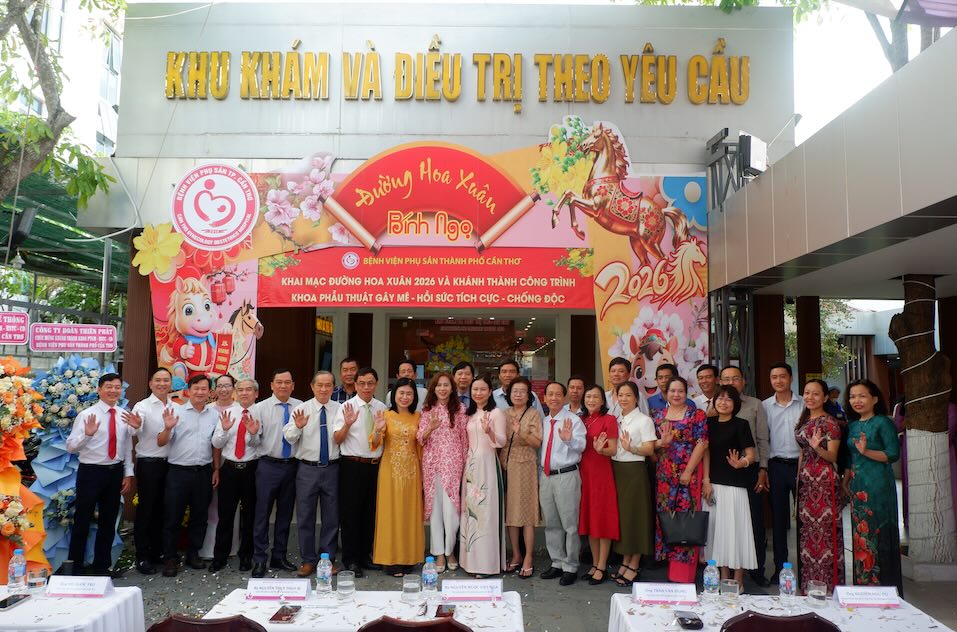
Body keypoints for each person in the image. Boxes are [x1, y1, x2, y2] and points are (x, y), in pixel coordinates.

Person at [66, 373, 140, 576]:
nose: (113, 390)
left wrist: (128, 473)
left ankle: (102, 567)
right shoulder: (87, 415)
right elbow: (71, 447)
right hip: (90, 472)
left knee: (108, 522)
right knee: (82, 520)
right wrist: (87, 435)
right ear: (99, 389)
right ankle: (76, 567)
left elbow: (126, 447)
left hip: (114, 472)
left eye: (117, 387)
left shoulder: (124, 415)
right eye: (109, 386)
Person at [844, 379, 902, 594]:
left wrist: (866, 451)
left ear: (875, 399)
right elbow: (850, 458)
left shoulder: (883, 422)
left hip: (879, 486)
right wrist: (845, 482)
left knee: (878, 534)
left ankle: (885, 590)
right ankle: (864, 590)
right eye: (852, 397)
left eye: (862, 396)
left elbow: (892, 454)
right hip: (858, 488)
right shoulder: (852, 425)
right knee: (861, 538)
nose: (856, 400)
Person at [159, 374, 218, 577]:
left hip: (203, 472)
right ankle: (170, 557)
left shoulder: (214, 415)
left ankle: (193, 554)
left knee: (200, 516)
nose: (200, 392)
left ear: (209, 392)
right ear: (188, 391)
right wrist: (167, 428)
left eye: (204, 389)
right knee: (172, 516)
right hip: (178, 472)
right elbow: (161, 441)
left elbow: (215, 445)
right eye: (196, 388)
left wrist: (216, 469)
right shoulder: (175, 412)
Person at [653, 376, 709, 583]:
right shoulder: (658, 415)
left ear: (686, 393)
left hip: (688, 475)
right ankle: (671, 572)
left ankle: (684, 575)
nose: (676, 395)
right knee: (668, 520)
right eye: (672, 391)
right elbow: (652, 444)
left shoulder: (697, 414)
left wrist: (688, 471)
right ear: (666, 393)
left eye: (680, 391)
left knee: (686, 521)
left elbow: (702, 443)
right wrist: (661, 442)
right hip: (664, 476)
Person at [718, 365, 771, 587]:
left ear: (743, 381)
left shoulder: (755, 405)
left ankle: (756, 570)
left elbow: (762, 439)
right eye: (726, 379)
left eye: (735, 378)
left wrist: (763, 469)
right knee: (724, 524)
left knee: (752, 521)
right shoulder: (715, 406)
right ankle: (724, 572)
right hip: (720, 474)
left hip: (749, 469)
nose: (730, 383)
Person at [286, 371, 341, 578]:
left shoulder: (340, 409)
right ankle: (308, 560)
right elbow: (289, 437)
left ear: (333, 387)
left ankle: (327, 560)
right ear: (312, 386)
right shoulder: (302, 409)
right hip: (307, 469)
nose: (324, 389)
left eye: (328, 385)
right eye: (320, 385)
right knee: (305, 516)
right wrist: (297, 427)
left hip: (332, 468)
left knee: (331, 517)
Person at [333, 366, 388, 577]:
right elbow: (337, 438)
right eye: (362, 383)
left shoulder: (381, 407)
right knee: (351, 514)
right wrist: (347, 424)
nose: (366, 387)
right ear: (355, 385)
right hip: (351, 466)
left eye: (370, 383)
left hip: (374, 466)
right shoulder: (346, 407)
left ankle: (365, 556)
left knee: (370, 513)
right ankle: (351, 559)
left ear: (376, 385)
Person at [702, 385, 757, 586]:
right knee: (719, 533)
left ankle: (738, 580)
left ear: (735, 404)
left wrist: (742, 463)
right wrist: (706, 480)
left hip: (735, 486)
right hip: (713, 485)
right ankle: (724, 577)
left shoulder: (741, 424)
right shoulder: (708, 423)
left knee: (736, 532)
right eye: (720, 398)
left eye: (728, 399)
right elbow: (705, 452)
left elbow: (751, 454)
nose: (723, 402)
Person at [251, 369, 303, 577]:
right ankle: (260, 559)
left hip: (292, 466)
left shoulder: (300, 406)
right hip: (268, 466)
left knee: (285, 514)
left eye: (287, 382)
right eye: (279, 382)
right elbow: (254, 442)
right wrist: (252, 434)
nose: (283, 386)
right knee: (262, 513)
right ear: (272, 385)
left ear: (293, 385)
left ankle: (279, 556)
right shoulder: (260, 408)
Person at [795, 379, 845, 593]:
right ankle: (809, 587)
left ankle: (830, 588)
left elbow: (832, 456)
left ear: (825, 398)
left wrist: (817, 447)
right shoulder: (804, 420)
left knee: (825, 535)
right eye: (807, 393)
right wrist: (798, 480)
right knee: (808, 535)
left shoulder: (830, 423)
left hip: (824, 482)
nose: (810, 397)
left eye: (816, 394)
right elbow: (801, 453)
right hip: (806, 482)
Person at [371, 378, 424, 576]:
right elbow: (375, 443)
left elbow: (421, 444)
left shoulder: (418, 416)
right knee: (390, 513)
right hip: (390, 471)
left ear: (414, 397)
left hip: (412, 471)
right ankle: (390, 560)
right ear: (394, 395)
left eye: (409, 394)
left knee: (410, 513)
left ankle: (409, 558)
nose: (405, 397)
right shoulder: (385, 415)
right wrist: (378, 429)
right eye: (401, 393)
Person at [209, 378, 262, 573]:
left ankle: (246, 556)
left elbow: (258, 444)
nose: (244, 393)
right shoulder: (228, 413)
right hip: (230, 468)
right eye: (240, 390)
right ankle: (219, 557)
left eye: (249, 390)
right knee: (225, 515)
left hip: (251, 469)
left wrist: (253, 434)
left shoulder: (260, 413)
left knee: (250, 516)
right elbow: (216, 443)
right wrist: (224, 430)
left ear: (256, 393)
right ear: (236, 393)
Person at [417, 372, 468, 573]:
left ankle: (450, 551)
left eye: (446, 385)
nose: (442, 389)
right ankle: (438, 553)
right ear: (434, 388)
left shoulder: (460, 409)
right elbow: (420, 438)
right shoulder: (427, 410)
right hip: (432, 465)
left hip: (453, 466)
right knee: (436, 510)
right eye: (439, 385)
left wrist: (465, 465)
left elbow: (465, 440)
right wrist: (430, 428)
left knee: (452, 512)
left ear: (452, 388)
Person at [538, 382, 586, 586]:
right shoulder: (544, 420)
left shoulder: (573, 420)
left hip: (566, 475)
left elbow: (581, 446)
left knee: (570, 524)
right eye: (550, 394)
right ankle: (557, 562)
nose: (554, 398)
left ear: (564, 398)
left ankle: (571, 565)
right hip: (546, 476)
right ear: (544, 398)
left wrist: (568, 440)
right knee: (551, 522)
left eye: (558, 394)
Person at [459, 375, 507, 577]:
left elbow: (502, 441)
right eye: (475, 389)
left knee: (486, 514)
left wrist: (489, 432)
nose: (478, 393)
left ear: (490, 392)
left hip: (487, 466)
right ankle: (470, 562)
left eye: (482, 389)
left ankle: (486, 564)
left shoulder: (496, 413)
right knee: (470, 514)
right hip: (471, 467)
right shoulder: (469, 413)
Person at [131, 368, 177, 575]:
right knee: (146, 510)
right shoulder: (142, 406)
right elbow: (134, 428)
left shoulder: (176, 406)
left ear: (171, 384)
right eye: (158, 380)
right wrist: (136, 425)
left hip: (171, 464)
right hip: (149, 464)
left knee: (164, 510)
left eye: (166, 380)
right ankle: (142, 556)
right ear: (150, 384)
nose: (162, 384)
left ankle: (157, 552)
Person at [762, 362, 804, 582]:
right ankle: (780, 569)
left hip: (801, 466)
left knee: (805, 520)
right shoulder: (765, 406)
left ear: (791, 378)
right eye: (774, 377)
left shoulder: (804, 404)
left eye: (782, 376)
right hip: (776, 466)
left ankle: (807, 569)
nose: (778, 381)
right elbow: (763, 438)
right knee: (778, 521)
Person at [612, 381, 656, 587]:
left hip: (634, 471)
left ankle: (635, 563)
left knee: (636, 517)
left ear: (636, 398)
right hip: (617, 470)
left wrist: (632, 448)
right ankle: (626, 559)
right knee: (624, 518)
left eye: (628, 395)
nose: (623, 399)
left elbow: (649, 449)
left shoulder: (644, 420)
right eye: (620, 395)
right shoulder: (617, 418)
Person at [500, 377, 543, 578]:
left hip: (525, 465)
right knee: (511, 513)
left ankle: (528, 557)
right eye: (514, 391)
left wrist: (521, 432)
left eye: (522, 391)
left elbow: (537, 442)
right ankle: (516, 554)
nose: (518, 394)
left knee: (527, 513)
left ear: (528, 395)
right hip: (506, 465)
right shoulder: (504, 413)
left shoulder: (533, 414)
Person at [578, 384, 619, 585]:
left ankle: (602, 565)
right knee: (590, 520)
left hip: (601, 474)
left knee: (602, 520)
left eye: (596, 397)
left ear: (603, 401)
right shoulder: (580, 420)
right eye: (588, 397)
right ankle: (594, 564)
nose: (591, 400)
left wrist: (601, 450)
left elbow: (613, 449)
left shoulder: (609, 420)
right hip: (583, 474)